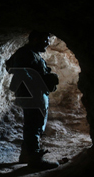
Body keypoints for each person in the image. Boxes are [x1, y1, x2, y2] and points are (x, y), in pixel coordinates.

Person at [5, 30, 60, 169]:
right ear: (35, 39)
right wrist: (41, 81)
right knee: (34, 124)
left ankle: (26, 155)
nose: (47, 44)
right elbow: (19, 72)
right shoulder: (25, 53)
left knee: (32, 123)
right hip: (32, 94)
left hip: (33, 93)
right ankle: (35, 159)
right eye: (45, 41)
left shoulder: (30, 54)